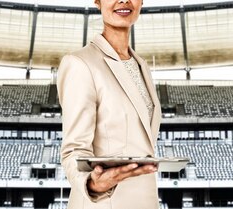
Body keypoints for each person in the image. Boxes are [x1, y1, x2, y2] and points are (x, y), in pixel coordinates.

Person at [56, 0, 161, 208]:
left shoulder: (142, 66)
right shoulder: (80, 63)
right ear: (97, 1)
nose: (124, 0)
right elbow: (74, 150)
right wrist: (92, 184)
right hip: (104, 203)